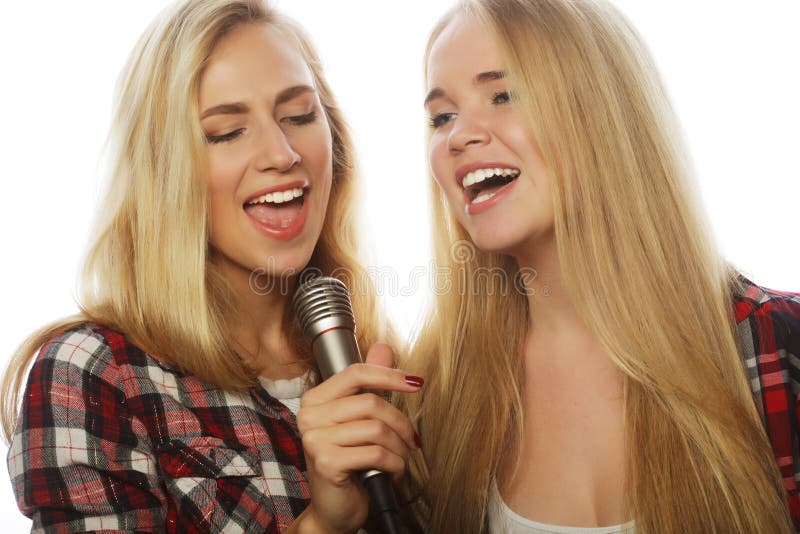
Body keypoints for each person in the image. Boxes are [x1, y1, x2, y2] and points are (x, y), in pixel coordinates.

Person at [1, 1, 421, 532]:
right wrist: (321, 525)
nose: (281, 152)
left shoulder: (385, 364)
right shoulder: (96, 375)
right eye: (226, 132)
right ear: (166, 173)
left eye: (298, 116)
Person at [399, 0, 800, 532]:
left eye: (503, 95)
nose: (459, 136)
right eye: (442, 116)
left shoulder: (777, 344)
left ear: (603, 110)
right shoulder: (434, 395)